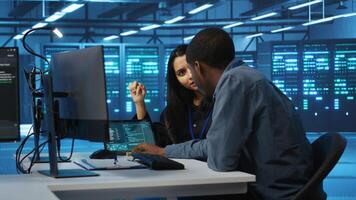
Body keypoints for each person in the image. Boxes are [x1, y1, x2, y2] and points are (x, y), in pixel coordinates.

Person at [133, 28, 319, 200]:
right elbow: (216, 147)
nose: (191, 77)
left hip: (272, 194)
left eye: (190, 69)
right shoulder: (243, 77)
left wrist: (165, 152)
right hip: (279, 187)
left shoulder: (234, 83)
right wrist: (165, 151)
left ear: (198, 67)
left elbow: (220, 160)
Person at [128, 44, 213, 148]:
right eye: (182, 73)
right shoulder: (171, 113)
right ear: (176, 79)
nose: (190, 76)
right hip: (184, 164)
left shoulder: (223, 100)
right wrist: (139, 102)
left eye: (192, 67)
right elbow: (153, 145)